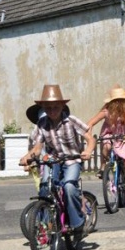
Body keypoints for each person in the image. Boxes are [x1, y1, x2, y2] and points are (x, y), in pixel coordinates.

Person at [19, 85, 96, 235]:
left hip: (72, 160)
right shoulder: (41, 124)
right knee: (44, 187)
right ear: (43, 107)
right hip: (53, 161)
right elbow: (37, 148)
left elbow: (90, 138)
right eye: (48, 108)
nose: (52, 110)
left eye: (55, 107)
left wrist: (88, 150)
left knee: (68, 187)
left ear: (62, 105)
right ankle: (46, 225)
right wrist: (27, 157)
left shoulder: (71, 121)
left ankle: (77, 223)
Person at [87, 86, 125, 199]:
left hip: (124, 136)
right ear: (112, 101)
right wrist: (88, 132)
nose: (119, 103)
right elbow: (91, 122)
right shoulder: (106, 110)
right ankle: (103, 166)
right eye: (116, 100)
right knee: (106, 146)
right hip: (109, 134)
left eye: (121, 100)